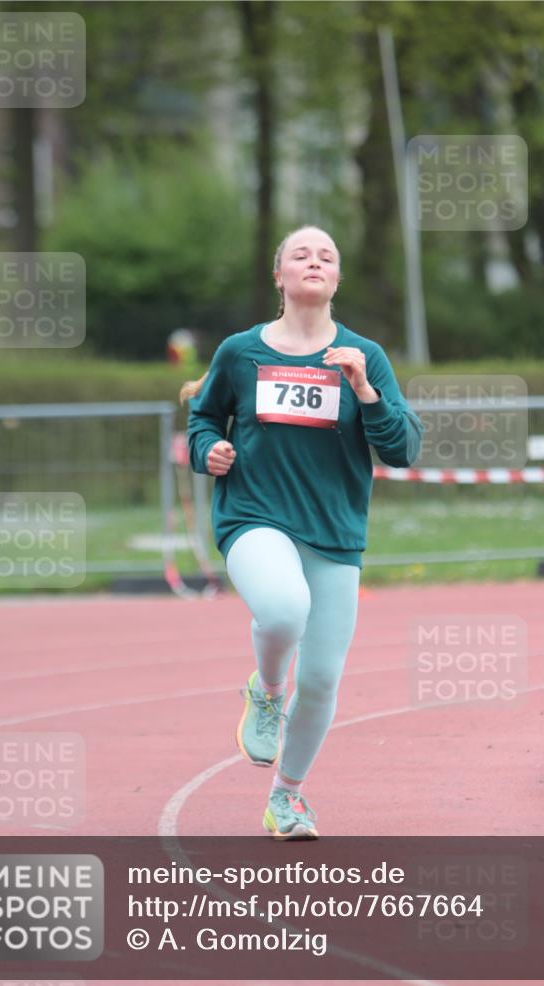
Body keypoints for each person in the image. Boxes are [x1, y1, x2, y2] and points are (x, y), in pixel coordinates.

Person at [180, 225, 423, 840]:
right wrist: (207, 450)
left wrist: (365, 389)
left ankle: (285, 798)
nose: (314, 261)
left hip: (334, 530)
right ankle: (265, 690)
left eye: (327, 256)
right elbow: (203, 416)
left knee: (320, 681)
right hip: (255, 514)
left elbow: (403, 449)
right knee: (285, 611)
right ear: (279, 275)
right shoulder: (241, 351)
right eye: (300, 254)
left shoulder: (364, 355)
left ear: (336, 279)